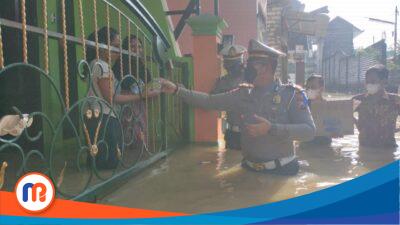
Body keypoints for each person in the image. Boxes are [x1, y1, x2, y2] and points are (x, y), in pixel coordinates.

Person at [160, 39, 316, 176]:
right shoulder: (242, 94)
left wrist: (271, 128)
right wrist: (176, 90)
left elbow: (309, 131)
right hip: (248, 171)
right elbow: (209, 101)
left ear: (266, 67)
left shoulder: (292, 94)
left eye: (252, 64)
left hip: (282, 172)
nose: (246, 69)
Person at [86, 27, 159, 169]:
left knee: (101, 160)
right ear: (102, 46)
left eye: (120, 47)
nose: (119, 51)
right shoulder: (102, 66)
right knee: (109, 162)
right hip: (104, 116)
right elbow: (112, 98)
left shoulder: (99, 64)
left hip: (99, 115)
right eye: (115, 46)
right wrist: (141, 95)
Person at [352, 64, 400, 149]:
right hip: (365, 147)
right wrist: (357, 124)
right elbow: (342, 116)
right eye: (367, 81)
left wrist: (394, 130)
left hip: (388, 148)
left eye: (373, 81)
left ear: (384, 82)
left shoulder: (395, 101)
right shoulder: (358, 100)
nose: (369, 84)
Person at [211, 44, 246, 150]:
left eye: (234, 66)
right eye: (229, 66)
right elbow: (213, 101)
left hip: (250, 133)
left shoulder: (251, 78)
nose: (232, 70)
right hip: (232, 134)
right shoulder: (223, 82)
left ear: (241, 64)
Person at [301, 75, 333, 147]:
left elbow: (337, 127)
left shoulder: (330, 107)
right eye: (307, 87)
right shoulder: (302, 106)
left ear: (321, 89)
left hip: (325, 144)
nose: (309, 90)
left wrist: (338, 132)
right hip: (306, 145)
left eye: (313, 87)